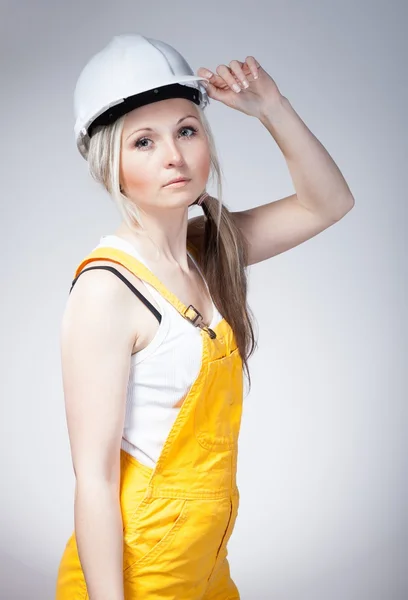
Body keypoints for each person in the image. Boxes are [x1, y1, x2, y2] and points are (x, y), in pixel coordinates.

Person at [56, 33, 354, 600]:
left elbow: (329, 203)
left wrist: (272, 108)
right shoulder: (107, 289)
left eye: (186, 131)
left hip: (207, 559)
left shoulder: (210, 249)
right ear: (110, 166)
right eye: (143, 141)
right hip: (140, 569)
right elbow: (94, 480)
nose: (174, 155)